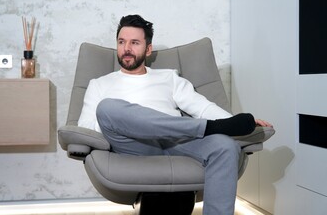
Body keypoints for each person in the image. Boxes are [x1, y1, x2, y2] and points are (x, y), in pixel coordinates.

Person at [78, 14, 273, 215]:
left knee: (226, 146)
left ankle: (211, 128)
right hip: (134, 145)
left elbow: (202, 107)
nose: (126, 48)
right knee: (107, 108)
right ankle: (208, 128)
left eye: (134, 42)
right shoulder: (100, 84)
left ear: (148, 49)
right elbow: (85, 126)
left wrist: (232, 121)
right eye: (121, 42)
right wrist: (129, 122)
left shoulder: (168, 77)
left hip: (177, 141)